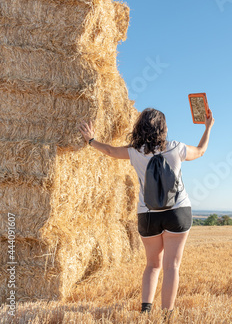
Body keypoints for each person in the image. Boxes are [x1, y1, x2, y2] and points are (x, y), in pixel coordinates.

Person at [79, 107, 214, 320]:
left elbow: (111, 151)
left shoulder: (135, 151)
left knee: (152, 265)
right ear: (164, 128)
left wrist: (91, 140)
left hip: (148, 215)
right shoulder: (176, 148)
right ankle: (166, 316)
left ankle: (145, 311)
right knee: (172, 266)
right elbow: (201, 150)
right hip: (177, 212)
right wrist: (208, 128)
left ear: (140, 128)